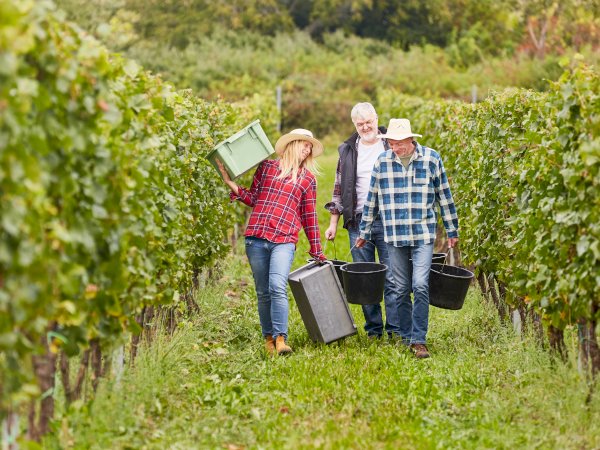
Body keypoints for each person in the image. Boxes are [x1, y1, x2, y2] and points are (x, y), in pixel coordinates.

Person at [216, 128, 326, 356]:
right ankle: (268, 338)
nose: (307, 149)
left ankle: (281, 338)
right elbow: (254, 198)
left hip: (284, 239)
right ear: (292, 144)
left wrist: (317, 248)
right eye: (304, 144)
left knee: (277, 286)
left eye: (310, 147)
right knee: (263, 291)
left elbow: (309, 217)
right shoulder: (266, 168)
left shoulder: (307, 180)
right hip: (256, 237)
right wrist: (230, 183)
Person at [356, 118, 459, 359]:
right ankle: (405, 336)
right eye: (391, 143)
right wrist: (364, 232)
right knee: (401, 288)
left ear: (411, 140)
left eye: (399, 143)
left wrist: (452, 230)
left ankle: (419, 339)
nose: (395, 148)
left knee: (420, 285)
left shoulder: (431, 159)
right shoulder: (382, 162)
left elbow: (444, 196)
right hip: (394, 234)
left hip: (422, 232)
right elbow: (372, 199)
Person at [324, 102, 402, 340]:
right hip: (358, 222)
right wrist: (333, 224)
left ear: (377, 119)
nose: (366, 127)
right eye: (360, 124)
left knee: (393, 277)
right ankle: (374, 330)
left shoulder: (392, 144)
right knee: (365, 277)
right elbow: (339, 190)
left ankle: (395, 330)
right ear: (354, 125)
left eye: (369, 122)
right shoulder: (347, 150)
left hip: (390, 221)